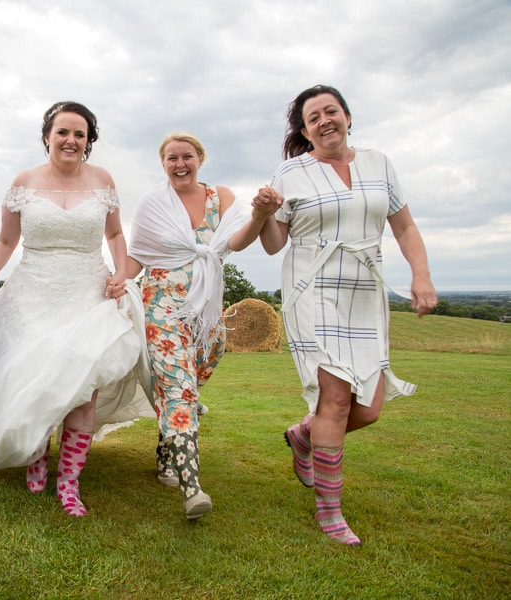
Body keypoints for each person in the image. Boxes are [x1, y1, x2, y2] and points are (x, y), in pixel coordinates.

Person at [257, 85, 437, 545]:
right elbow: (276, 243)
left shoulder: (379, 164)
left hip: (365, 290)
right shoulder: (290, 171)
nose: (324, 121)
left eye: (330, 111)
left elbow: (405, 225)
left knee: (369, 408)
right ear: (304, 130)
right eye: (312, 117)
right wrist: (263, 214)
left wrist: (421, 276)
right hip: (312, 287)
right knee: (335, 399)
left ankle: (304, 435)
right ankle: (330, 511)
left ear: (348, 116)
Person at [0, 101, 152, 517]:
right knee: (38, 378)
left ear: (88, 142)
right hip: (33, 293)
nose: (71, 140)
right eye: (63, 132)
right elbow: (7, 242)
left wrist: (121, 273)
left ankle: (69, 482)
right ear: (47, 136)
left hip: (88, 292)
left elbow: (116, 233)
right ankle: (36, 456)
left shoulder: (103, 181)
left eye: (80, 134)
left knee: (83, 387)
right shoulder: (24, 182)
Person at [124, 132, 280, 520]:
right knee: (180, 387)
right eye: (172, 158)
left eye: (187, 157)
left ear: (200, 159)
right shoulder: (153, 203)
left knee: (193, 378)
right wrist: (115, 282)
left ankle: (166, 450)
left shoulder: (222, 197)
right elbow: (138, 255)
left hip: (205, 312)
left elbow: (239, 241)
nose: (180, 164)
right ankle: (192, 487)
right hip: (161, 304)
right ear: (163, 165)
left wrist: (260, 215)